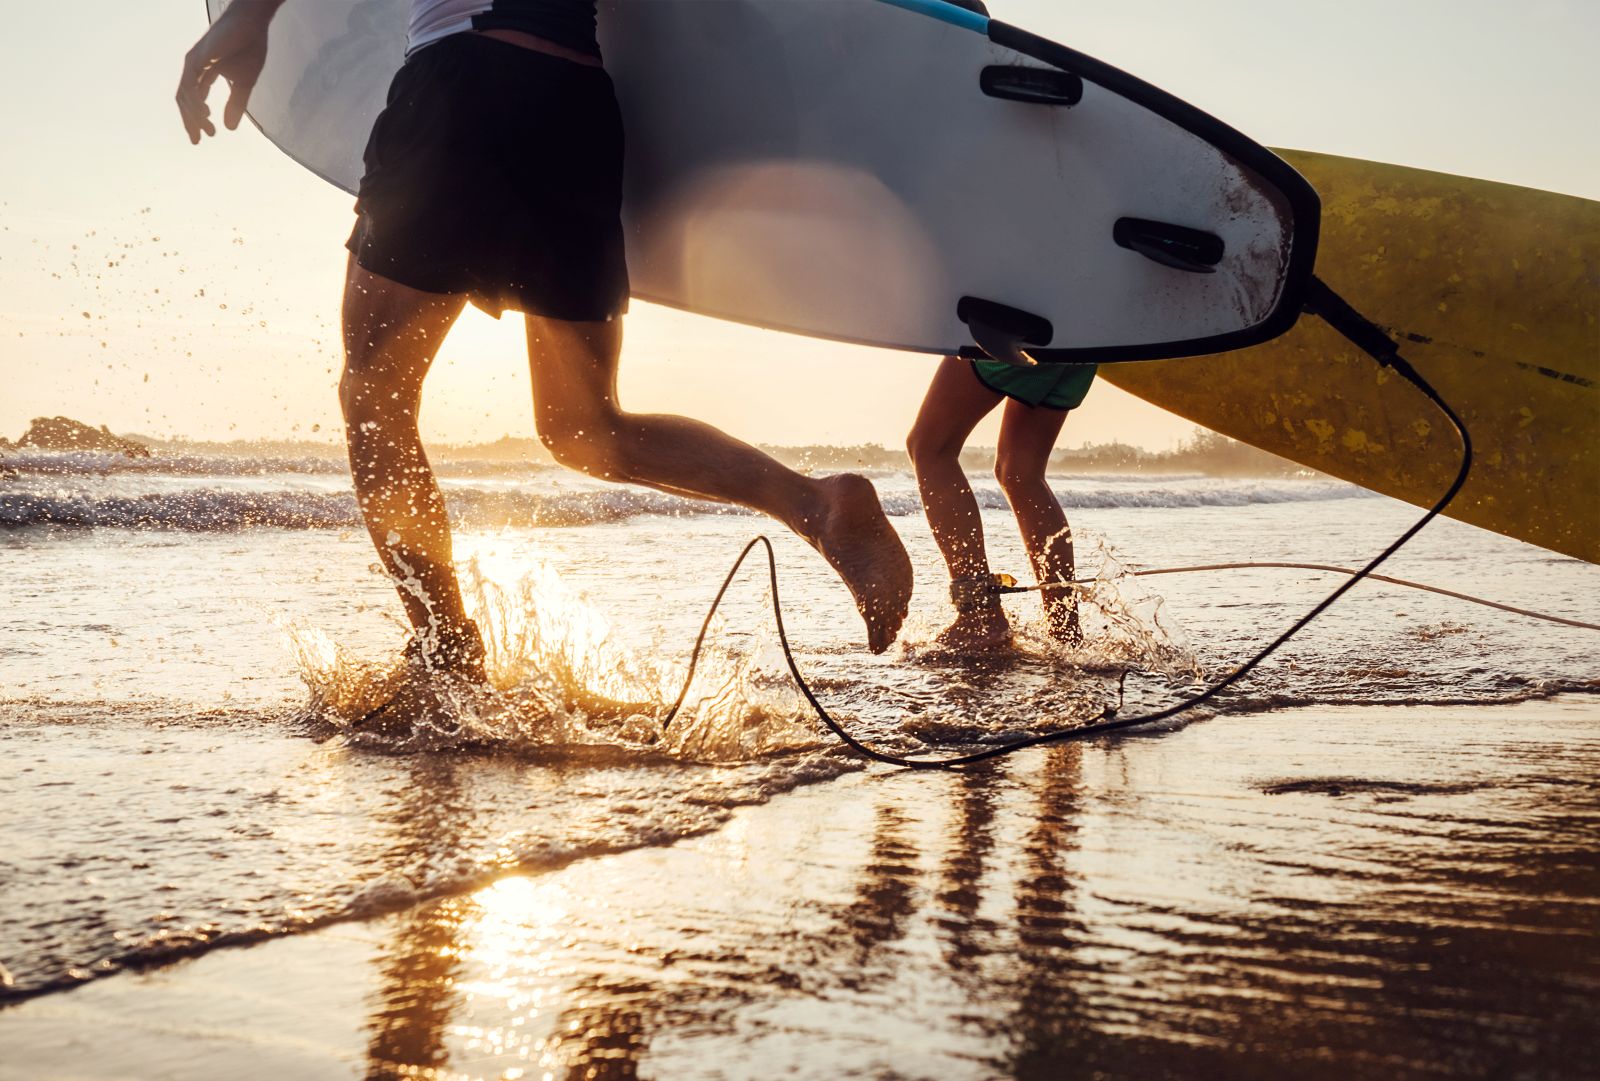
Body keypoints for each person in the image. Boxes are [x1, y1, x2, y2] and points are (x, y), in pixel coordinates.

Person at [175, 1, 914, 695]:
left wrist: (243, 19)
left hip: (462, 93)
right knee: (587, 427)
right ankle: (816, 503)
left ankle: (447, 649)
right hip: (575, 103)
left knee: (374, 397)